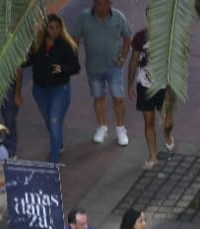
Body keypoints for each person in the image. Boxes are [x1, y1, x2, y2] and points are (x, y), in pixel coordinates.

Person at [17, 13, 80, 164]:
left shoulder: (67, 45)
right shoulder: (38, 44)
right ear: (46, 28)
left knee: (53, 120)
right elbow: (29, 60)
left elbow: (76, 67)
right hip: (39, 90)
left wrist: (62, 69)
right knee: (49, 120)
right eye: (51, 28)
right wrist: (17, 61)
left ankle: (54, 160)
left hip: (59, 90)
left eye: (57, 28)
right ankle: (59, 144)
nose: (55, 31)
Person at [73, 0, 132, 147]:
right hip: (94, 67)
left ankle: (120, 128)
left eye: (106, 4)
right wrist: (74, 59)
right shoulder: (83, 18)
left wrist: (123, 58)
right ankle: (102, 127)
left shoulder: (119, 17)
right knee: (98, 97)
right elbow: (74, 38)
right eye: (99, 4)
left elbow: (127, 38)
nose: (102, 7)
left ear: (110, 4)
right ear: (94, 3)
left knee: (118, 98)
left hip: (114, 67)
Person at [128, 28, 174, 169]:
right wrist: (130, 84)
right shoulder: (140, 37)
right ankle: (153, 156)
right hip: (145, 86)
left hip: (164, 86)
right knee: (149, 122)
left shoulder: (169, 34)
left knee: (168, 122)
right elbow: (134, 60)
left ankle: (167, 136)